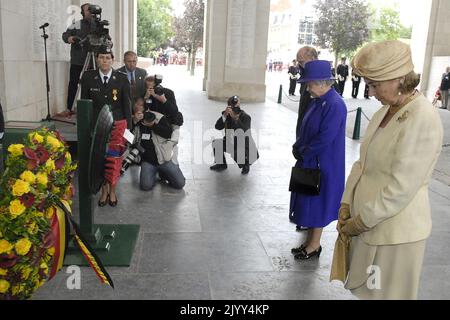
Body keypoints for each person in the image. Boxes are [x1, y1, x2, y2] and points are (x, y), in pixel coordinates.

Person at [331, 40, 443, 300]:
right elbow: (362, 164)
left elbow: (402, 187)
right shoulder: (386, 111)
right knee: (370, 293)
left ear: (398, 79)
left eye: (375, 85)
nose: (371, 93)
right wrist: (347, 203)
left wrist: (361, 221)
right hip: (371, 225)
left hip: (396, 233)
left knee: (388, 296)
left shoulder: (422, 117)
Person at [289, 60, 347, 260]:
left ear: (322, 83)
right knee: (309, 203)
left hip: (323, 164)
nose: (307, 88)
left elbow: (325, 137)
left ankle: (314, 246)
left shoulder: (335, 104)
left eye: (310, 84)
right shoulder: (318, 101)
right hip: (311, 161)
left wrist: (304, 152)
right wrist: (298, 146)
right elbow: (306, 129)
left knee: (317, 205)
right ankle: (309, 242)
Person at [80, 46, 131, 207]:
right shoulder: (88, 77)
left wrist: (127, 129)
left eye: (108, 58)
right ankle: (104, 191)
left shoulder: (121, 78)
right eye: (101, 57)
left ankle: (113, 190)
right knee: (100, 160)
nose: (104, 60)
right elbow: (84, 104)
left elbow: (126, 105)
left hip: (116, 127)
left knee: (114, 160)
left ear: (112, 59)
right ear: (97, 59)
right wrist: (86, 128)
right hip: (97, 127)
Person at [137, 110, 185, 191]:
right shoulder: (137, 122)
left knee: (180, 183)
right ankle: (156, 174)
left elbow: (168, 133)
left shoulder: (159, 118)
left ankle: (164, 173)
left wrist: (153, 125)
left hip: (164, 159)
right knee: (146, 186)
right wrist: (135, 120)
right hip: (149, 161)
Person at [210, 96, 259, 175]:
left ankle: (246, 165)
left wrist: (236, 119)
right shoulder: (226, 115)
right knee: (216, 143)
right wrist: (225, 115)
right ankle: (221, 164)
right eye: (232, 106)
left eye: (236, 107)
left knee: (237, 153)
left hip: (243, 146)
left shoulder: (246, 117)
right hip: (231, 143)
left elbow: (244, 132)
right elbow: (217, 127)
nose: (234, 109)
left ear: (239, 106)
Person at [62, 3, 94, 116]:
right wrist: (69, 38)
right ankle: (69, 108)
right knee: (73, 83)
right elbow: (65, 35)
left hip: (93, 61)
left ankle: (90, 108)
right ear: (82, 12)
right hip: (77, 60)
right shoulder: (77, 24)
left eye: (91, 10)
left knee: (93, 85)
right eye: (87, 10)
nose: (89, 12)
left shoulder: (98, 25)